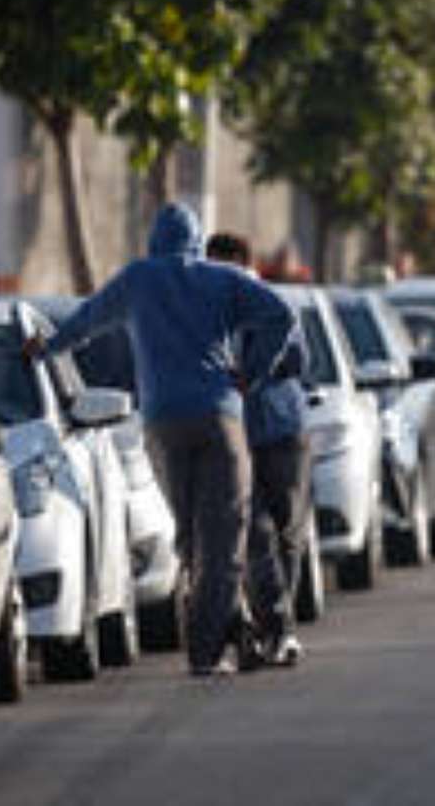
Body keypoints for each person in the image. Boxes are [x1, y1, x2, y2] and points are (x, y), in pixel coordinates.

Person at [24, 203, 294, 677]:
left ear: (154, 241)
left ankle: (233, 631)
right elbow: (282, 316)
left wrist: (46, 348)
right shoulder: (222, 279)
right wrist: (251, 373)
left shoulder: (138, 279)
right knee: (224, 535)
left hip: (162, 422)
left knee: (191, 535)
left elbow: (86, 320)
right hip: (218, 417)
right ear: (197, 240)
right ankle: (207, 650)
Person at [206, 231, 311, 667]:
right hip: (233, 438)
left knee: (286, 532)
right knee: (251, 534)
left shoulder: (272, 303)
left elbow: (299, 360)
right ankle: (264, 628)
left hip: (282, 432)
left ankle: (280, 631)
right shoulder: (207, 310)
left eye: (226, 267)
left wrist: (253, 369)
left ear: (245, 266)